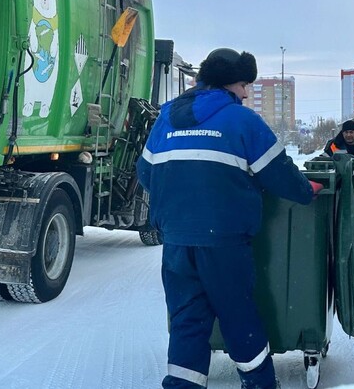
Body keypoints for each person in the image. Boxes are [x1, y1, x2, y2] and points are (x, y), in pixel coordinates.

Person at [137, 47, 320, 389]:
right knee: (238, 315)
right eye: (244, 85)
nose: (246, 93)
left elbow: (146, 173)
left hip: (176, 241)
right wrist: (306, 191)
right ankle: (259, 383)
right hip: (223, 240)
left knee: (186, 318)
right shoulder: (242, 121)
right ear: (229, 83)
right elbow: (278, 173)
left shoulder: (166, 119)